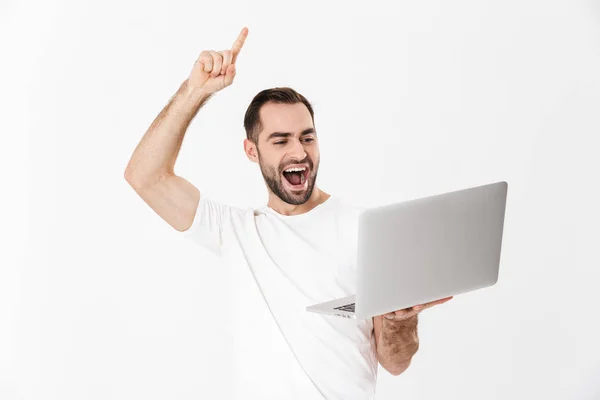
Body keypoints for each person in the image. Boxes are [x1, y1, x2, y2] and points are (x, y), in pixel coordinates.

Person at [124, 27, 452, 400]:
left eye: (307, 137)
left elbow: (395, 362)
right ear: (252, 151)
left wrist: (401, 320)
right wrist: (195, 90)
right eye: (280, 141)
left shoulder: (368, 230)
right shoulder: (235, 231)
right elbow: (144, 176)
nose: (298, 152)